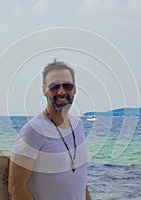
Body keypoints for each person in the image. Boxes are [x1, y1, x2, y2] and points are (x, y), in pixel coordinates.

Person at [8, 60, 92, 200]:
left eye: (67, 86)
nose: (61, 91)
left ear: (75, 89)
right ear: (44, 90)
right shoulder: (32, 131)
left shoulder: (78, 126)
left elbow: (79, 181)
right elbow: (16, 187)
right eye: (54, 87)